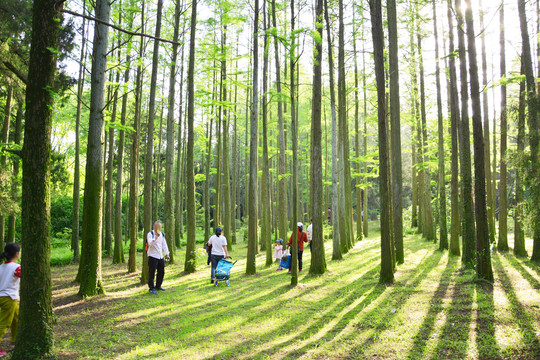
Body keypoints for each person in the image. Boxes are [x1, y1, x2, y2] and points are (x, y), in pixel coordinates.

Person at [0, 243, 21, 357]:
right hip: (9, 297)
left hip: (2, 296)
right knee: (4, 322)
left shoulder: (1, 267)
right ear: (17, 254)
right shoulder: (16, 267)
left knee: (16, 318)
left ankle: (14, 341)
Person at [146, 221, 170, 295]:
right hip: (153, 256)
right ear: (154, 227)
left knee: (161, 272)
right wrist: (155, 237)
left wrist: (167, 254)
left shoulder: (162, 234)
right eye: (157, 227)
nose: (158, 228)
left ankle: (158, 286)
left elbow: (164, 245)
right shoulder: (150, 234)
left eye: (160, 227)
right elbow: (150, 244)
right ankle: (151, 288)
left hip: (160, 256)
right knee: (152, 272)